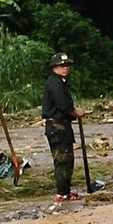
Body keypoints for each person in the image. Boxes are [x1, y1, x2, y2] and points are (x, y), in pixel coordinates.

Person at [41, 52, 85, 201]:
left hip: (58, 125)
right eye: (62, 65)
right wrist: (75, 112)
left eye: (67, 65)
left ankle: (65, 190)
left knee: (64, 159)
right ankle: (62, 192)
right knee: (63, 160)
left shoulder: (58, 82)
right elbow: (64, 106)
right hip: (58, 126)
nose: (65, 68)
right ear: (54, 67)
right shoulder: (56, 84)